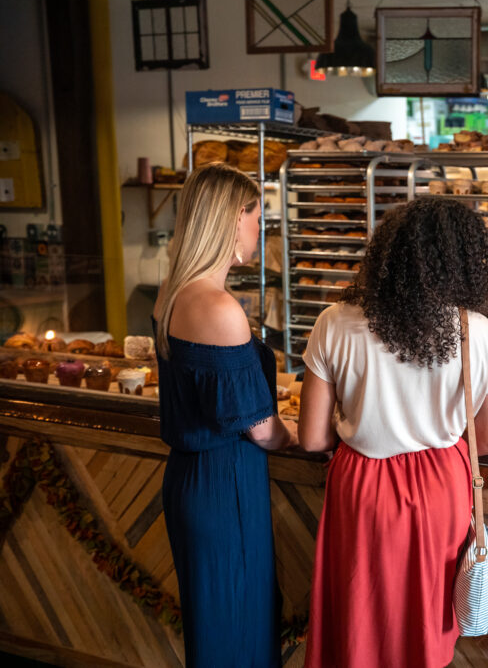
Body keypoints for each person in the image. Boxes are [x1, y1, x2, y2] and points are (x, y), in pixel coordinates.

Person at [299, 198, 488, 668]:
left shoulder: (334, 322)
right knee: (423, 626)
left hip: (361, 488)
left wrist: (362, 416)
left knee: (357, 617)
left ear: (386, 255)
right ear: (465, 260)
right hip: (440, 489)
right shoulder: (476, 331)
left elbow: (311, 439)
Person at [153, 163, 296, 667]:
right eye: (260, 218)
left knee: (216, 629)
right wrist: (312, 432)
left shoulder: (170, 291)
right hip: (226, 484)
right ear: (235, 218)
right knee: (239, 628)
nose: (262, 230)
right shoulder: (218, 307)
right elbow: (260, 429)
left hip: (189, 478)